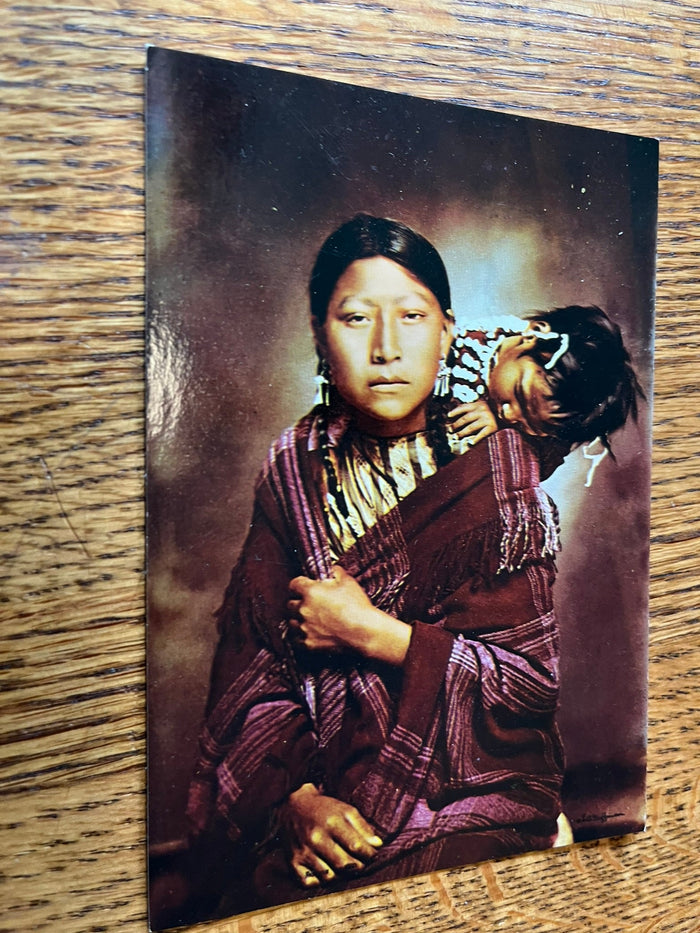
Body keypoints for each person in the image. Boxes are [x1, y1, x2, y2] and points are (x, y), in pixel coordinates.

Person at [185, 214, 567, 919]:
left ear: (448, 331)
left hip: (469, 795)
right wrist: (297, 800)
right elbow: (252, 665)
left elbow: (527, 687)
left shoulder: (499, 474)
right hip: (328, 790)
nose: (387, 348)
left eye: (412, 317)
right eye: (357, 318)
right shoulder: (292, 475)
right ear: (319, 333)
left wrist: (369, 632)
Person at [446, 306, 645, 479]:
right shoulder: (463, 345)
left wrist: (502, 436)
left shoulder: (553, 437)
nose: (508, 415)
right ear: (533, 334)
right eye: (518, 393)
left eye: (527, 424)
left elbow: (536, 468)